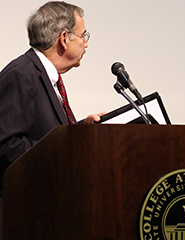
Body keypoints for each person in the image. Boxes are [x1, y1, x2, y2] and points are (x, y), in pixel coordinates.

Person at [0, 1, 105, 238]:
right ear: (64, 38)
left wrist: (79, 132)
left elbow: (45, 137)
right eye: (83, 35)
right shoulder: (21, 74)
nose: (86, 43)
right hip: (24, 219)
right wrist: (70, 147)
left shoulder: (46, 77)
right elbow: (7, 146)